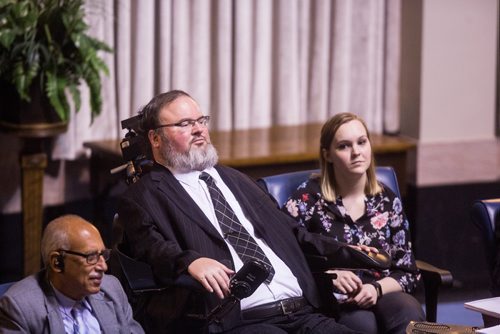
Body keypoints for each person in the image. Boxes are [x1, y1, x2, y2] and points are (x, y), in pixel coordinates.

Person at [116, 90, 361, 333]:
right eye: (185, 124)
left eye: (201, 121)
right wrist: (190, 261)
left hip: (302, 310)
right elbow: (150, 248)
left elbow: (292, 232)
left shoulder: (237, 179)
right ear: (155, 139)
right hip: (240, 320)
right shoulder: (144, 195)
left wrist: (345, 251)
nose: (199, 129)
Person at [282, 112, 425, 334]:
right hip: (332, 297)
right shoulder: (307, 198)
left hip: (381, 290)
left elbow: (407, 271)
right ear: (328, 155)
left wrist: (375, 288)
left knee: (409, 315)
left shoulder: (387, 200)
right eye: (344, 146)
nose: (356, 152)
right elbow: (284, 252)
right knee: (361, 325)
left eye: (362, 142)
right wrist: (330, 276)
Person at [0, 214, 144, 334]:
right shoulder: (19, 307)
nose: (103, 267)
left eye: (103, 254)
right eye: (91, 257)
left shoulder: (112, 287)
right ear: (57, 262)